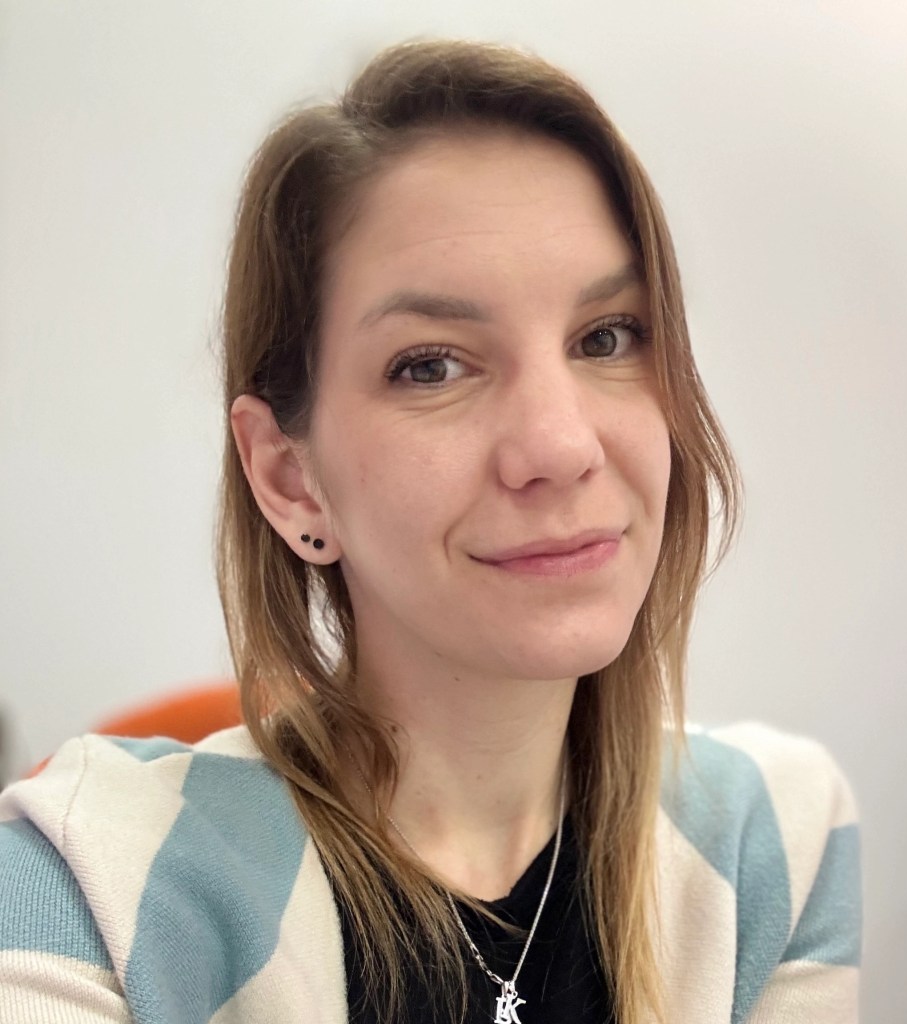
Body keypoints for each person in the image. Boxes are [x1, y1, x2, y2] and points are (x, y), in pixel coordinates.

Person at [0, 39, 861, 1024]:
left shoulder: (775, 845)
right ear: (290, 478)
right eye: (431, 366)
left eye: (606, 337)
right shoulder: (85, 886)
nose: (560, 446)